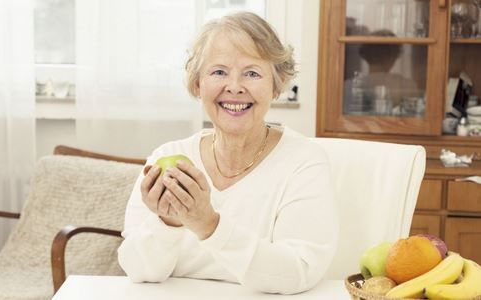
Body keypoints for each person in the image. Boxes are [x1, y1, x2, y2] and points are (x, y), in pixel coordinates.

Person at [117, 12, 338, 295]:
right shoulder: (168, 156)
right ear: (198, 84)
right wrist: (167, 221)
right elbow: (137, 271)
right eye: (219, 71)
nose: (234, 87)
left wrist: (208, 224)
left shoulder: (304, 162)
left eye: (252, 73)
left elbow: (297, 272)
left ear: (276, 85)